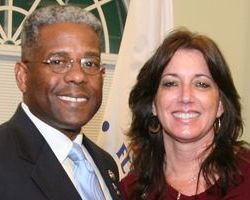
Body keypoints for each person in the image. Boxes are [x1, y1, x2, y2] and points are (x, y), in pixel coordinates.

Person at [0, 4, 122, 200]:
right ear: (22, 76)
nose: (77, 76)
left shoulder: (106, 164)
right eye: (58, 61)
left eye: (90, 63)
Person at [120, 29, 250, 200]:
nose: (186, 97)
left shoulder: (246, 178)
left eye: (201, 84)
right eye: (171, 83)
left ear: (220, 105)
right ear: (153, 104)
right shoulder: (130, 190)